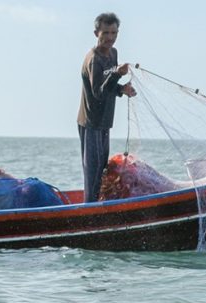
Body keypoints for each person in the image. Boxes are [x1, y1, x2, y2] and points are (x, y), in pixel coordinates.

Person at [77, 12, 136, 202]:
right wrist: (117, 75)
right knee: (93, 174)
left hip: (104, 122)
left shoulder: (113, 53)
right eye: (106, 33)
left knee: (102, 170)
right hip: (91, 123)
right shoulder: (94, 60)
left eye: (114, 33)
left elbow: (108, 86)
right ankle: (89, 211)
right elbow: (98, 93)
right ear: (96, 33)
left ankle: (95, 206)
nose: (110, 38)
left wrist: (122, 89)